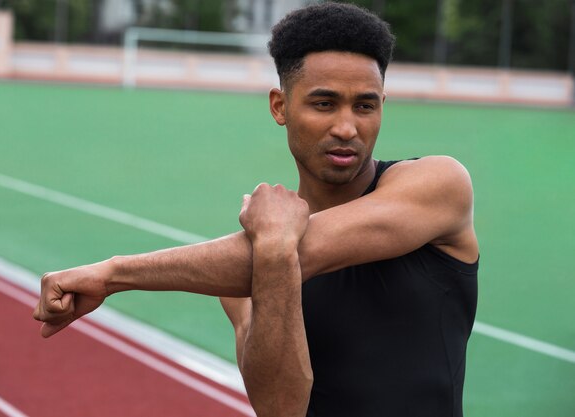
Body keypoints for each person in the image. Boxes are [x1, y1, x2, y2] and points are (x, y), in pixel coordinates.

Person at [33, 3, 479, 417]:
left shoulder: (438, 184)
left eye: (366, 105)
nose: (347, 127)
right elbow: (280, 408)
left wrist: (111, 275)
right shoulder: (240, 276)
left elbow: (309, 249)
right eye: (324, 104)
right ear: (280, 106)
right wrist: (273, 247)